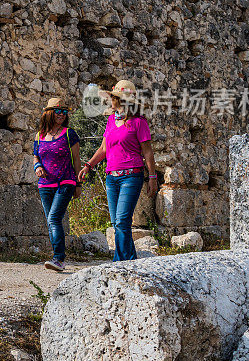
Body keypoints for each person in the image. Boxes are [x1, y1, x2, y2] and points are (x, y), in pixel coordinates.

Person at [77, 80, 158, 261]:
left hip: (131, 176)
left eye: (113, 97)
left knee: (122, 221)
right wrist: (88, 165)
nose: (111, 100)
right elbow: (103, 149)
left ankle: (119, 262)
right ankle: (130, 261)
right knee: (116, 223)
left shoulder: (139, 122)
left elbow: (148, 152)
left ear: (121, 100)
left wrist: (152, 177)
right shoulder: (111, 122)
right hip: (111, 178)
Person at [33, 98, 81, 272]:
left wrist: (78, 183)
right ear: (49, 113)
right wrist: (37, 166)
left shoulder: (70, 134)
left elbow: (77, 160)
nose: (62, 115)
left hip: (65, 181)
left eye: (64, 112)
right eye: (58, 111)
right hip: (45, 184)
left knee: (53, 218)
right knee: (51, 220)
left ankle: (58, 258)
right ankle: (57, 256)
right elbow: (36, 155)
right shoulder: (39, 135)